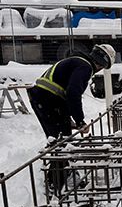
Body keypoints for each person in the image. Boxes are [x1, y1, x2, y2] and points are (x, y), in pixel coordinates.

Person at [28, 44, 116, 192]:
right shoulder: (85, 67)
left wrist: (68, 119)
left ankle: (63, 175)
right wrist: (80, 121)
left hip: (45, 100)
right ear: (102, 64)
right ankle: (53, 186)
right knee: (62, 143)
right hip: (47, 101)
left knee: (60, 140)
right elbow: (73, 93)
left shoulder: (77, 61)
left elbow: (62, 90)